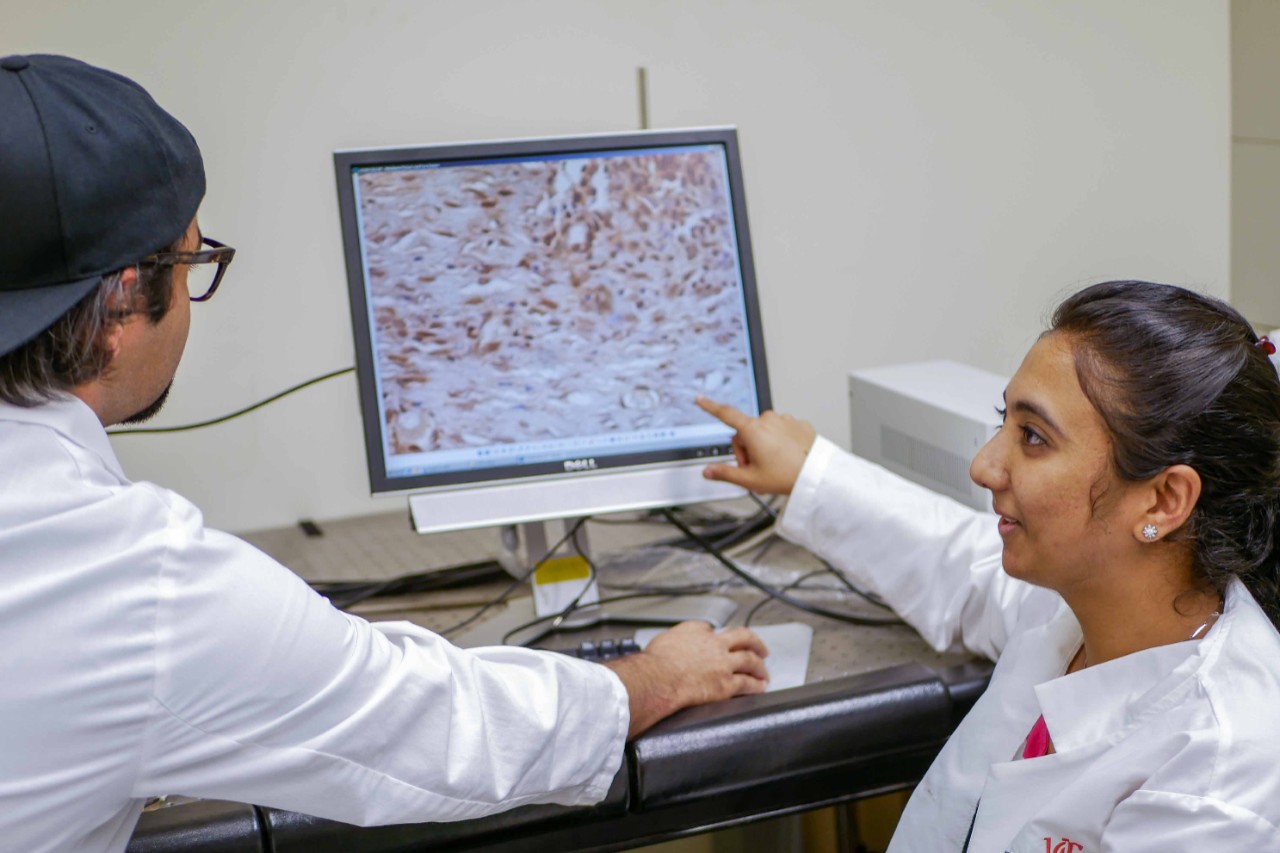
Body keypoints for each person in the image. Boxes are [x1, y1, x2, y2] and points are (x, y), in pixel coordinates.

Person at [0, 54, 769, 853]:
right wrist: (657, 676)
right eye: (194, 263)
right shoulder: (136, 581)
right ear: (123, 302)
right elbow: (444, 727)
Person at [699, 280, 1280, 851]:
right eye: (1005, 419)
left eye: (1033, 436)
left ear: (1163, 501)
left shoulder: (1214, 780)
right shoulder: (1082, 604)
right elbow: (957, 563)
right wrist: (807, 473)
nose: (982, 466)